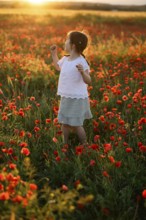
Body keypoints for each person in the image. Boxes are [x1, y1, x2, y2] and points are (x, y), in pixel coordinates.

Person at [50, 30, 92, 145]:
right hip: (66, 96)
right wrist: (54, 55)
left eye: (66, 40)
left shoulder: (82, 62)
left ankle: (84, 143)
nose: (65, 42)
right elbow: (58, 67)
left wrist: (83, 73)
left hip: (77, 98)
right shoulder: (65, 59)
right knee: (65, 123)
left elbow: (88, 80)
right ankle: (65, 143)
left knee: (77, 124)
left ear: (72, 45)